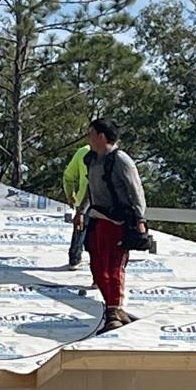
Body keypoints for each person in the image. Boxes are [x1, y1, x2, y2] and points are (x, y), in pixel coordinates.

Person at [74, 117, 148, 332]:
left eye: (91, 133)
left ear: (101, 136)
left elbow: (136, 190)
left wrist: (140, 220)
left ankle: (114, 309)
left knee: (114, 267)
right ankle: (113, 308)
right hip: (98, 219)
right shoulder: (92, 159)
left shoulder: (120, 160)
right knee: (97, 269)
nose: (88, 138)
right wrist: (81, 210)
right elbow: (90, 187)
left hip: (119, 221)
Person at [62, 141, 91, 269]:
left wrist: (70, 193)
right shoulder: (111, 152)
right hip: (103, 200)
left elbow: (68, 175)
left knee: (80, 229)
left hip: (82, 198)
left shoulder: (82, 151)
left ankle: (75, 258)